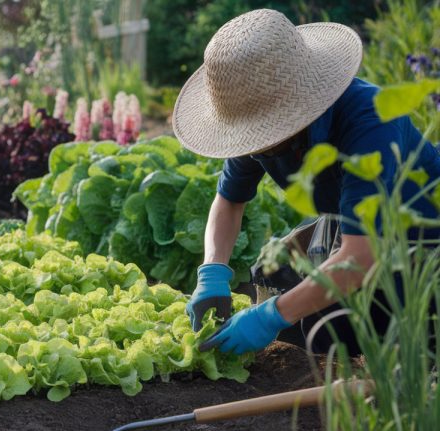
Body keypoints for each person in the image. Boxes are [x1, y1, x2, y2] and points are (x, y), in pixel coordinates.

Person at [171, 9, 440, 355]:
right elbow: (229, 200)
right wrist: (212, 269)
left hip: (421, 244)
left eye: (268, 131)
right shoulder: (255, 122)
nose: (256, 146)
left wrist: (270, 316)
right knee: (275, 279)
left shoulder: (370, 120)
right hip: (356, 228)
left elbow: (360, 257)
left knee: (328, 328)